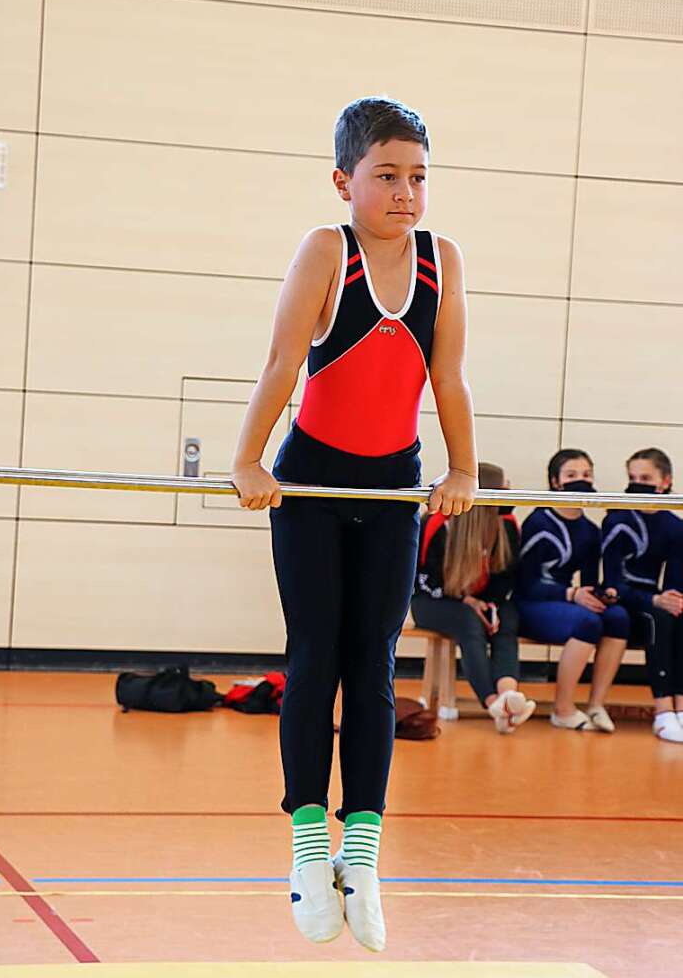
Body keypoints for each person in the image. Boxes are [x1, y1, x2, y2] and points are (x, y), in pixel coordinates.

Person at [230, 96, 478, 952]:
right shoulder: (324, 252)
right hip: (308, 482)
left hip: (390, 490)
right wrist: (247, 461)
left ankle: (362, 854)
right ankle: (307, 849)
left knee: (372, 663)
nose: (405, 192)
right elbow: (281, 361)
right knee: (314, 655)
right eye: (386, 176)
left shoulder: (440, 262)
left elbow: (447, 381)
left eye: (417, 177)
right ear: (344, 181)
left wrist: (462, 469)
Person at [411, 461, 535, 733]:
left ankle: (507, 694)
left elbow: (506, 576)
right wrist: (465, 601)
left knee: (506, 617)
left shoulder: (507, 525)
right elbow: (420, 580)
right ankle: (492, 703)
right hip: (433, 601)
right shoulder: (435, 524)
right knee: (469, 622)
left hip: (482, 600)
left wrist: (489, 603)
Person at [515, 449, 630, 731]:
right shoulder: (539, 522)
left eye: (586, 474)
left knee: (617, 617)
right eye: (571, 475)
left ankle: (595, 705)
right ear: (556, 482)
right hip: (532, 603)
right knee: (587, 621)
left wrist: (604, 593)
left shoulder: (590, 530)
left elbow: (589, 581)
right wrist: (570, 594)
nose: (581, 479)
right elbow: (524, 583)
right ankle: (563, 708)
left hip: (565, 601)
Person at [602, 448, 683, 743]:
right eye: (633, 477)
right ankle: (662, 710)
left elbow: (676, 582)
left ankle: (681, 707)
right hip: (624, 600)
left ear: (665, 482)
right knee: (659, 616)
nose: (638, 483)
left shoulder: (675, 526)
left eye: (645, 478)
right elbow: (612, 581)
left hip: (655, 598)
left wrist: (674, 599)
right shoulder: (618, 520)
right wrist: (655, 601)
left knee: (677, 613)